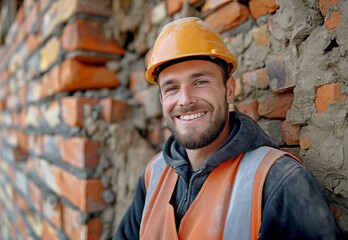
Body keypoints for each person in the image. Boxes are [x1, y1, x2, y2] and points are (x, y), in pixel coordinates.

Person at [115, 17, 341, 240]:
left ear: (229, 89)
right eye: (171, 88)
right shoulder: (153, 174)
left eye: (200, 82)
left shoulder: (279, 181)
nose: (185, 100)